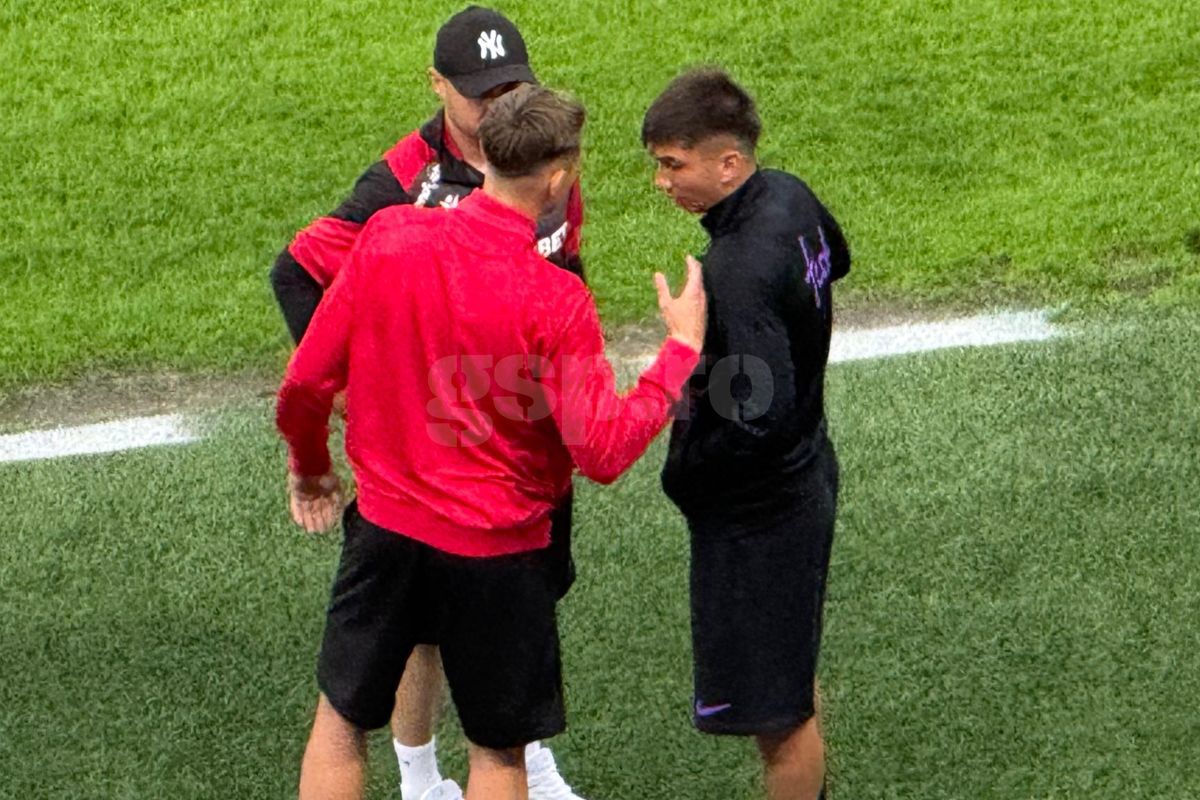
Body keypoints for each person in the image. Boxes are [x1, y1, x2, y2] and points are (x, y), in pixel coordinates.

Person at [277, 84, 706, 800]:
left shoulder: (388, 236)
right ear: (558, 180)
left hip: (384, 536)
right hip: (500, 558)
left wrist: (311, 469)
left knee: (341, 723)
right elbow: (602, 451)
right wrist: (680, 352)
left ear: (485, 155)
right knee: (499, 756)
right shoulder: (557, 300)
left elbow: (305, 385)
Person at [268, 7, 587, 798]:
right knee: (420, 629)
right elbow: (297, 271)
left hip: (522, 444)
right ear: (437, 86)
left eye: (511, 86)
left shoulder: (542, 161)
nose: (498, 104)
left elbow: (565, 269)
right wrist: (359, 391)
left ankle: (530, 760)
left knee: (523, 607)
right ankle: (421, 774)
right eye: (481, 92)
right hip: (432, 456)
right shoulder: (400, 182)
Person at [641, 68, 851, 800]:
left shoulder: (734, 269)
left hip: (759, 516)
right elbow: (836, 259)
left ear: (728, 164)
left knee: (778, 721)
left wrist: (689, 467)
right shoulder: (789, 195)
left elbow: (758, 414)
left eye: (674, 165)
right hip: (806, 474)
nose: (662, 183)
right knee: (789, 679)